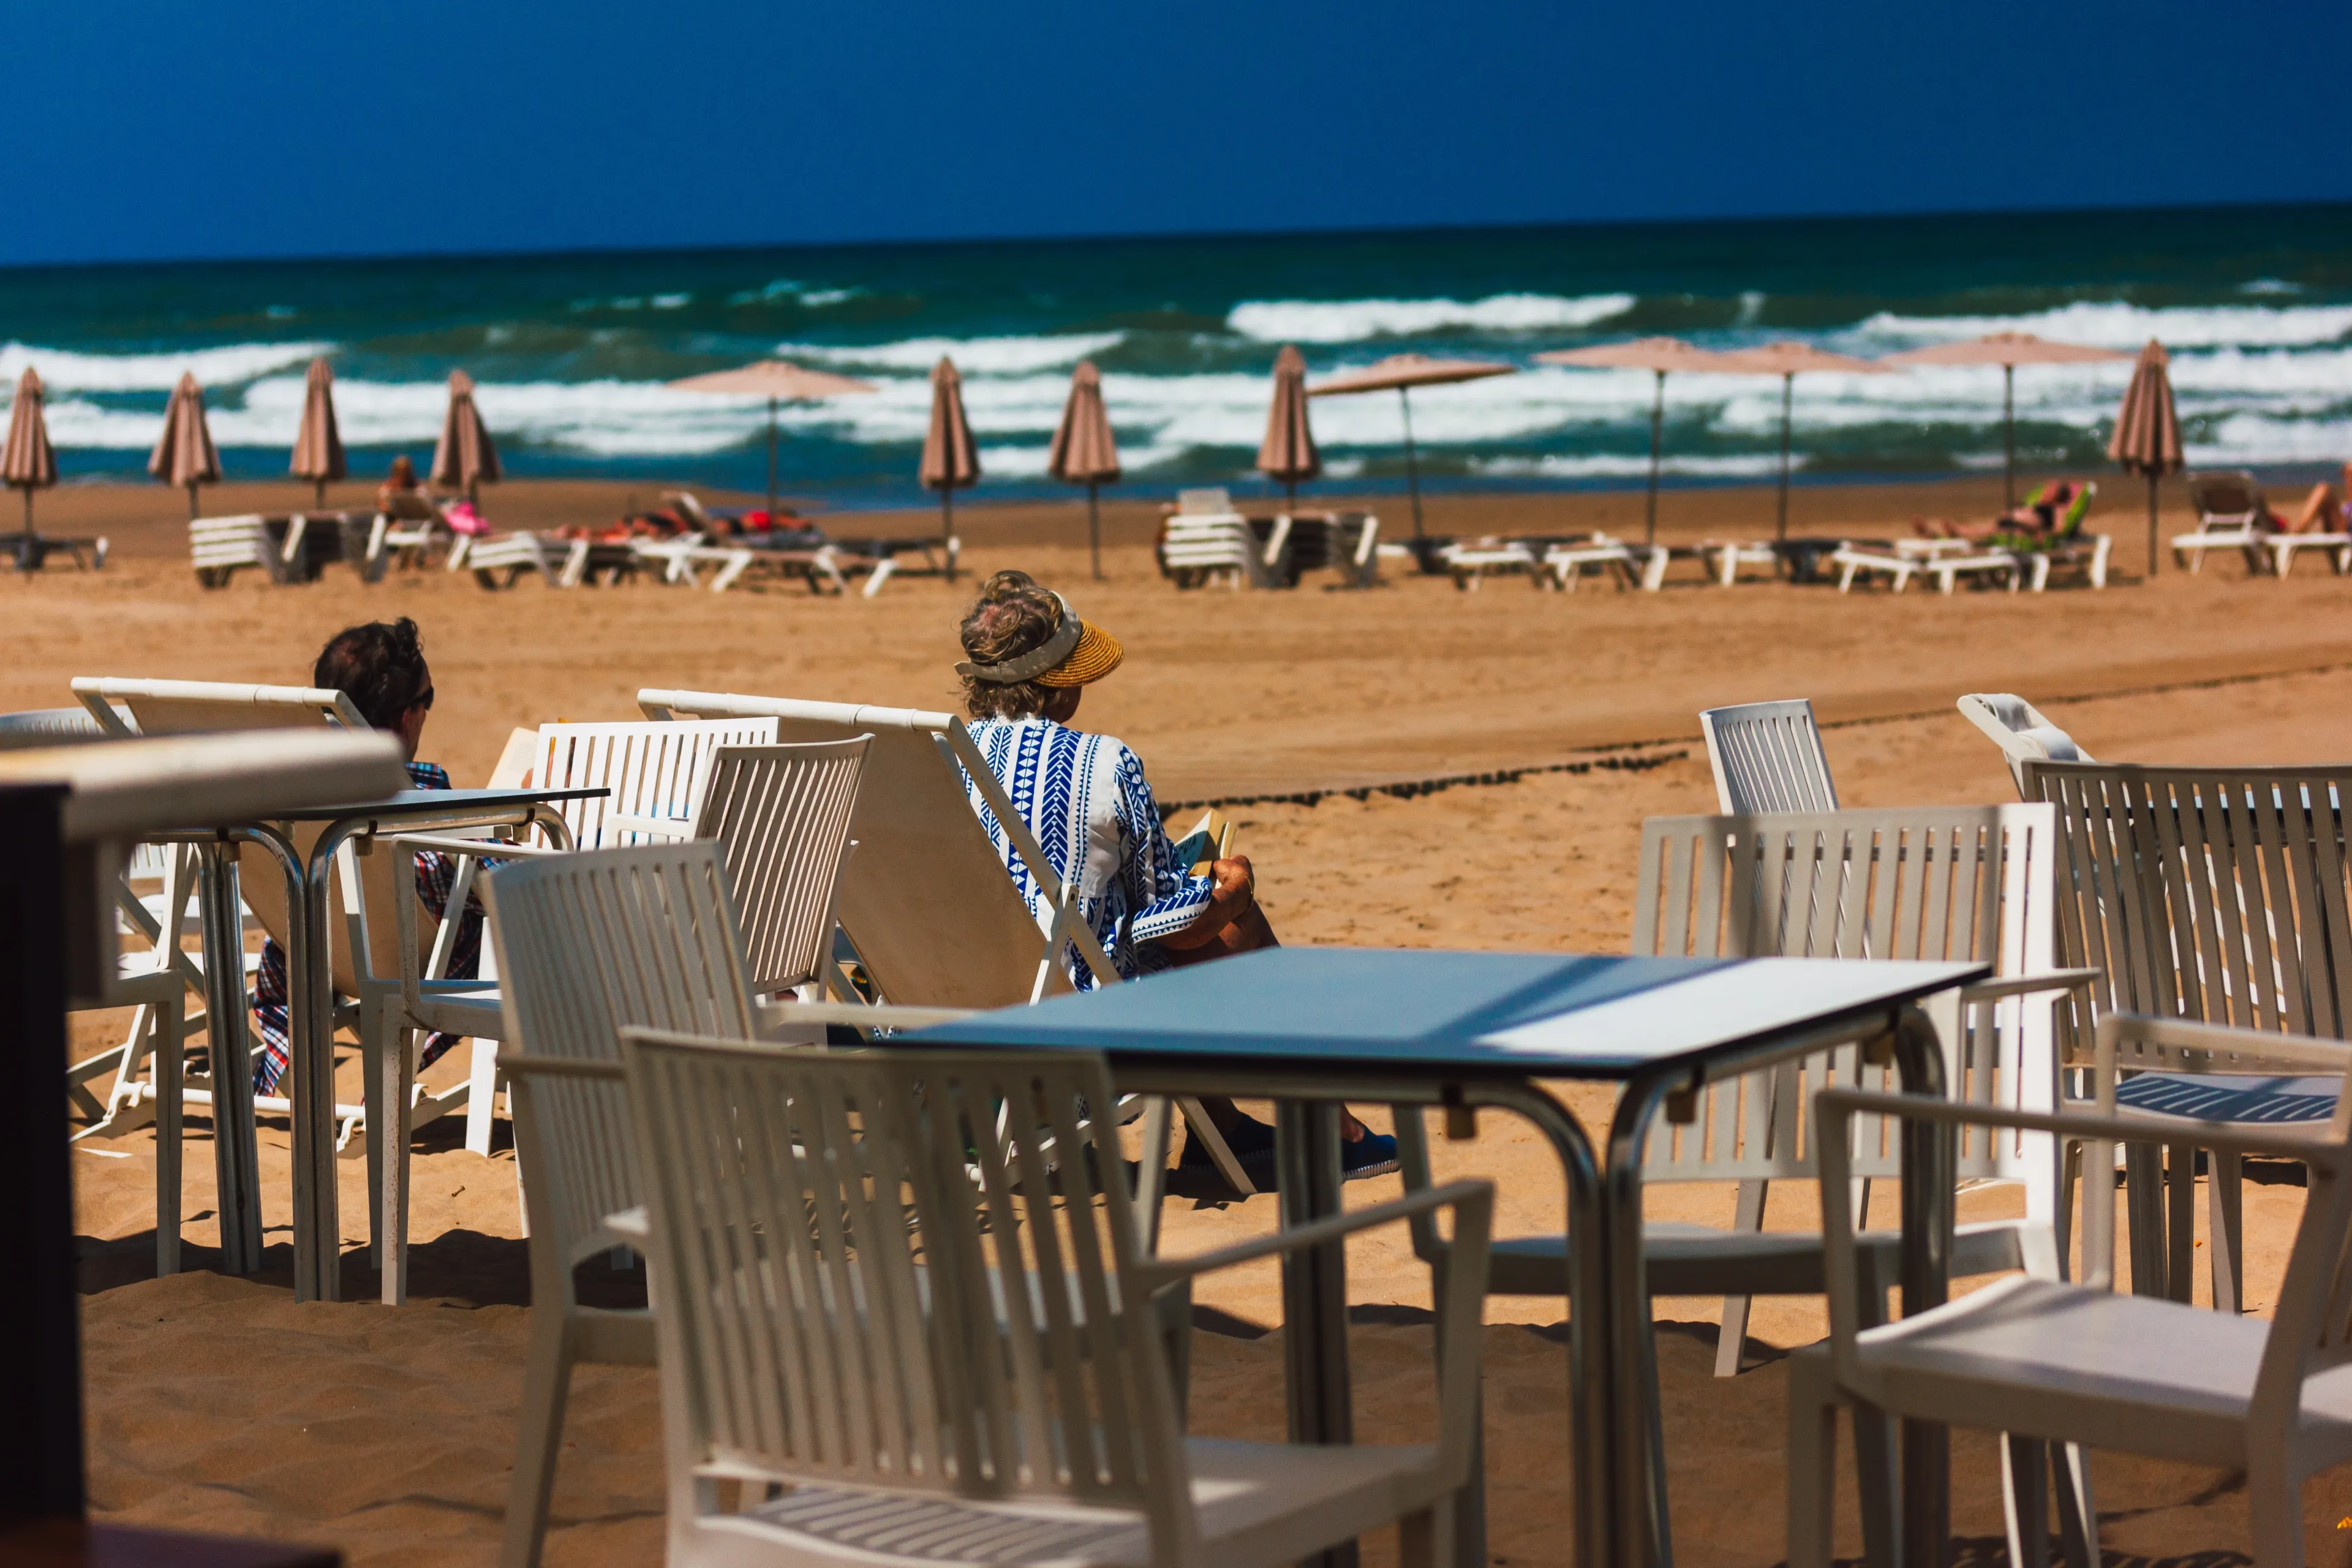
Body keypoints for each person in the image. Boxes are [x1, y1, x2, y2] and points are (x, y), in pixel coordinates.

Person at [952, 570, 1396, 1182]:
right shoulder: (1103, 762)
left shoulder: (941, 760)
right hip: (1068, 1049)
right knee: (1215, 918)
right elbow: (1175, 924)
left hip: (942, 1039)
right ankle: (1329, 1125)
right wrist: (1232, 892)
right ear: (1059, 689)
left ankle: (1230, 1130)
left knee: (1133, 920)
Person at [249, 618, 483, 1095]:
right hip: (411, 969)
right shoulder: (422, 801)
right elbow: (495, 884)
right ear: (404, 718)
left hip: (311, 955)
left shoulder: (284, 795)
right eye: (427, 701)